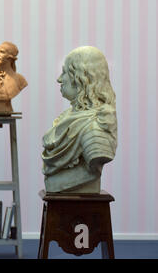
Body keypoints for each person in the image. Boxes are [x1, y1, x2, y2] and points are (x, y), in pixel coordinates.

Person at [42, 46, 117, 193]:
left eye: (64, 72)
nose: (59, 79)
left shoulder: (96, 125)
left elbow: (96, 161)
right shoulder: (68, 117)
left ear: (82, 78)